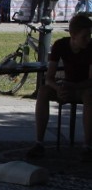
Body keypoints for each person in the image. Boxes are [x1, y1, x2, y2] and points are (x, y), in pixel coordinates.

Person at [26, 13, 92, 161]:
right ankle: (39, 143)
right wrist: (58, 88)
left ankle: (87, 145)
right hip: (67, 87)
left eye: (89, 35)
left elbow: (91, 80)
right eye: (85, 36)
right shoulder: (60, 45)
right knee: (43, 91)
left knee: (89, 95)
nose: (88, 40)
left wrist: (73, 86)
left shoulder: (91, 48)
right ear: (73, 36)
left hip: (82, 88)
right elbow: (48, 77)